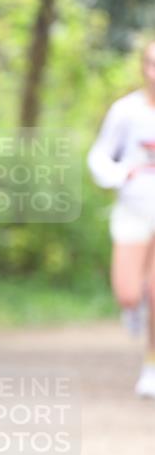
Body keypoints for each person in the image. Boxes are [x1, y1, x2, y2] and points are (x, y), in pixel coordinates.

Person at [87, 40, 155, 400]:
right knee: (130, 293)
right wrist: (119, 175)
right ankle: (135, 308)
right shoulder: (126, 112)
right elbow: (99, 156)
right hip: (133, 208)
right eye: (151, 64)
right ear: (143, 68)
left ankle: (150, 366)